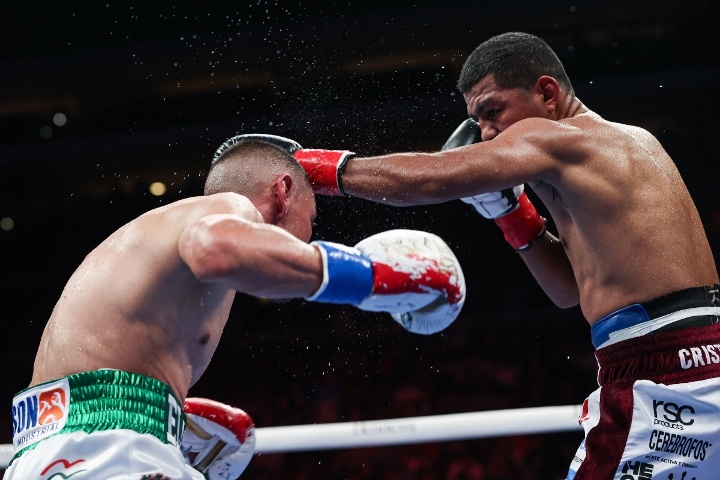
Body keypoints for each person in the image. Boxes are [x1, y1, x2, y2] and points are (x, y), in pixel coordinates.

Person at [254, 32, 720, 479]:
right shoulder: (624, 146)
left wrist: (314, 167)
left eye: (493, 111)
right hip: (694, 355)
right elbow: (567, 291)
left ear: (547, 93)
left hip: (661, 369)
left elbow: (430, 180)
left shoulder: (561, 138)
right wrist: (510, 213)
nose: (487, 133)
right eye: (478, 120)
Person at [6, 139, 466, 479]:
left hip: (51, 449)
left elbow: (88, 383)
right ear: (283, 192)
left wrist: (171, 421)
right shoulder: (227, 209)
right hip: (106, 451)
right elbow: (216, 248)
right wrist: (373, 278)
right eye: (312, 218)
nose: (308, 236)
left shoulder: (152, 248)